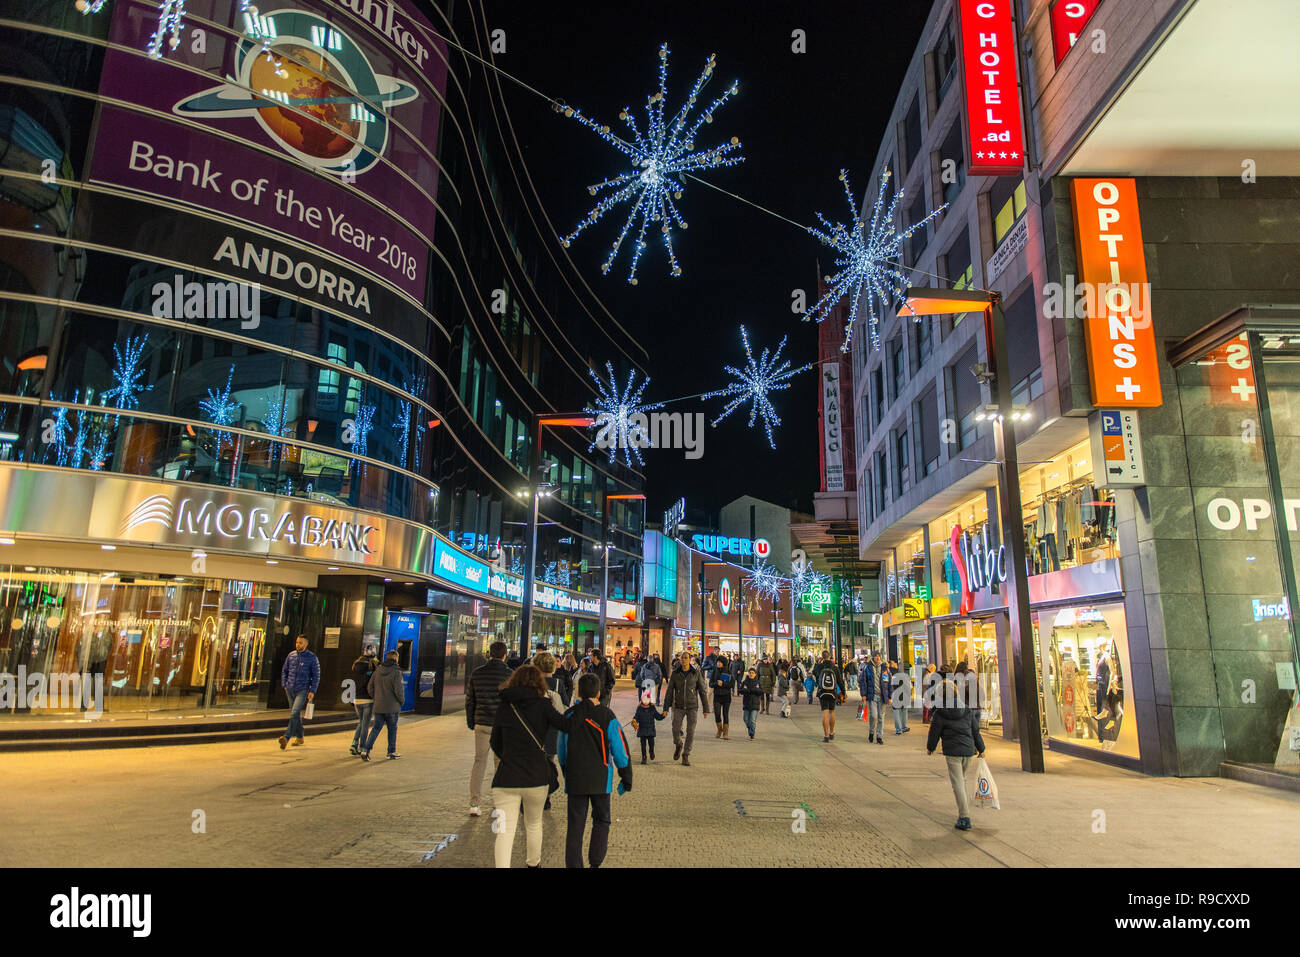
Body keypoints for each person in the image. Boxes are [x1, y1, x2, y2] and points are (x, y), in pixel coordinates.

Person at [488, 663, 571, 867]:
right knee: (533, 824)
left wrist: (508, 757)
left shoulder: (505, 705)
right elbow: (565, 725)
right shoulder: (543, 704)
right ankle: (533, 864)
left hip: (506, 777)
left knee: (504, 830)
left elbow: (494, 742)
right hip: (535, 776)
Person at [558, 673, 633, 868]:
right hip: (601, 779)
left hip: (576, 779)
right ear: (599, 693)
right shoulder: (607, 716)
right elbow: (620, 751)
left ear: (579, 692)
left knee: (575, 827)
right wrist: (626, 777)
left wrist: (566, 771)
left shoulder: (569, 715)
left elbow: (561, 751)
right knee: (601, 821)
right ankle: (595, 863)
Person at [926, 678, 987, 831]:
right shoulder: (966, 709)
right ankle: (964, 811)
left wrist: (930, 747)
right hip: (968, 751)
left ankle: (964, 817)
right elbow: (975, 730)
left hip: (953, 751)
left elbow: (935, 731)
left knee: (958, 783)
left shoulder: (940, 711)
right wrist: (982, 748)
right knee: (962, 780)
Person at [466, 640, 511, 817]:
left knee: (479, 762)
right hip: (502, 725)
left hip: (482, 724)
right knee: (500, 763)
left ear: (489, 654)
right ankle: (498, 801)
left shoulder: (477, 674)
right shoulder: (510, 674)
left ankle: (474, 803)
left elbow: (470, 700)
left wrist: (471, 722)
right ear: (505, 655)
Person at [662, 649, 709, 765]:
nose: (684, 660)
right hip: (678, 706)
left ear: (690, 660)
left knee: (690, 731)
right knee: (675, 729)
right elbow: (669, 692)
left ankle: (686, 754)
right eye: (682, 658)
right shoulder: (675, 673)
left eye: (686, 658)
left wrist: (705, 708)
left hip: (692, 706)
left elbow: (702, 691)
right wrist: (665, 708)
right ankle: (678, 744)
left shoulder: (696, 673)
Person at [277, 634, 319, 749]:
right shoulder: (291, 655)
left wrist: (312, 690)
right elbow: (284, 670)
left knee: (295, 712)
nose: (298, 644)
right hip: (290, 689)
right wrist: (284, 684)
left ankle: (286, 737)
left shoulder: (312, 657)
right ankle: (300, 737)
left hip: (303, 689)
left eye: (300, 643)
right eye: (297, 642)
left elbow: (316, 675)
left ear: (306, 644)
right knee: (294, 714)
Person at [360, 650, 404, 760]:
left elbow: (370, 687)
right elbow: (398, 690)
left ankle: (366, 750)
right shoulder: (397, 672)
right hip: (392, 706)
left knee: (376, 728)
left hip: (379, 705)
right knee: (392, 729)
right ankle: (391, 752)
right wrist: (401, 701)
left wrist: (376, 698)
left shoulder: (378, 670)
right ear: (396, 658)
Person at [348, 649, 377, 755]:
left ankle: (354, 743)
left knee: (361, 722)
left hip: (357, 699)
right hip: (368, 699)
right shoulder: (372, 667)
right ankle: (362, 746)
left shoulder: (355, 667)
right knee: (365, 724)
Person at [811, 652, 844, 742]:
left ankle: (826, 736)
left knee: (825, 712)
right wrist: (843, 692)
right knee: (832, 712)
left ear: (822, 657)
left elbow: (814, 673)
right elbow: (840, 681)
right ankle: (831, 733)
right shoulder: (835, 667)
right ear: (830, 657)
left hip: (822, 692)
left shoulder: (819, 666)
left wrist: (818, 663)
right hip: (832, 692)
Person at [633, 690, 667, 763]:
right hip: (642, 730)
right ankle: (644, 757)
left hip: (650, 730)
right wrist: (634, 721)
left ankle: (651, 752)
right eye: (644, 699)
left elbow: (657, 716)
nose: (645, 701)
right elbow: (636, 717)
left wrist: (663, 716)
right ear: (641, 699)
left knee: (651, 744)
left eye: (647, 699)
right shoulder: (639, 708)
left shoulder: (652, 708)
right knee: (643, 745)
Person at [862, 652, 888, 745]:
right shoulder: (867, 668)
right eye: (875, 656)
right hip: (872, 695)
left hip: (882, 696)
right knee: (874, 715)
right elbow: (863, 681)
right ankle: (871, 731)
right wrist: (863, 694)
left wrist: (890, 695)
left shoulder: (885, 668)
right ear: (872, 658)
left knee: (881, 717)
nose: (877, 658)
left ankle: (879, 736)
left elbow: (888, 682)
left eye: (879, 656)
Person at [710, 653, 734, 739]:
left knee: (725, 714)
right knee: (717, 714)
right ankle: (719, 729)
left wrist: (723, 684)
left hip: (726, 696)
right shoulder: (714, 671)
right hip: (717, 696)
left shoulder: (728, 672)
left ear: (724, 663)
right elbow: (710, 684)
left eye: (720, 662)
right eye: (717, 662)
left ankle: (725, 733)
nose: (718, 664)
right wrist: (717, 683)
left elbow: (731, 684)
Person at [738, 667, 763, 739]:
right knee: (745, 719)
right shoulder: (745, 682)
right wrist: (746, 691)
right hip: (746, 703)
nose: (751, 674)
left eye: (753, 673)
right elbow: (740, 690)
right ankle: (750, 728)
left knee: (752, 720)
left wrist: (754, 690)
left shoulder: (758, 682)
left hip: (755, 704)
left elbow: (761, 691)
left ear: (755, 674)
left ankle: (752, 733)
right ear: (748, 674)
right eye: (750, 673)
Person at [890, 660, 911, 735]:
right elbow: (908, 687)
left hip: (895, 695)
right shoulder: (904, 675)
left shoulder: (892, 675)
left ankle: (898, 730)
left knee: (896, 712)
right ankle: (904, 727)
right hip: (904, 695)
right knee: (904, 712)